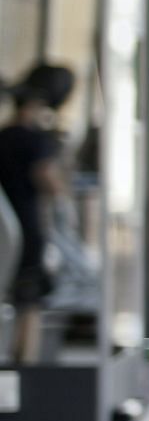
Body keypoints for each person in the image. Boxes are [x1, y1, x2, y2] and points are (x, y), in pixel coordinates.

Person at [0, 62, 75, 363]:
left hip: (7, 230)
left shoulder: (5, 135)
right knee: (30, 302)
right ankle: (24, 368)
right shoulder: (36, 141)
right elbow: (46, 178)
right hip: (26, 229)